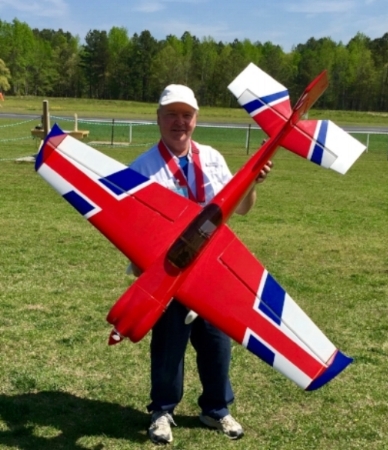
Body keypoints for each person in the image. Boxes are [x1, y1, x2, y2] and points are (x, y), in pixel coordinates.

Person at [128, 84, 272, 444]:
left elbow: (242, 208)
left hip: (211, 273)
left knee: (216, 345)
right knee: (168, 346)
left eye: (186, 115)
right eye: (171, 114)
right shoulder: (141, 168)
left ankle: (216, 409)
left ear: (196, 119)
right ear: (158, 118)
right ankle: (162, 410)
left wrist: (251, 183)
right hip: (168, 275)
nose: (179, 122)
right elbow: (131, 228)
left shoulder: (212, 158)